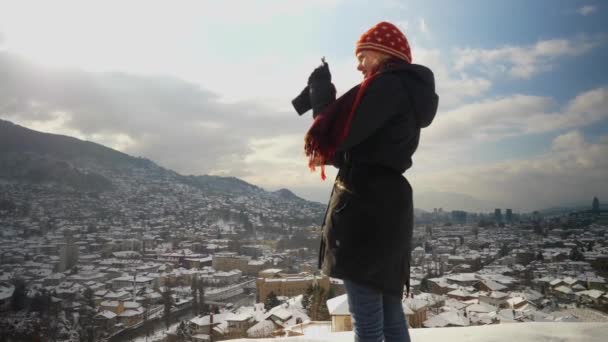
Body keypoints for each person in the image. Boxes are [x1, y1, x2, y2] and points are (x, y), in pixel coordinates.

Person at [292, 21, 438, 342]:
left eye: (362, 56)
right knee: (389, 317)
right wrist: (329, 150)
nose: (358, 66)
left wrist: (321, 97)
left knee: (368, 326)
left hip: (366, 214)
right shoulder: (404, 92)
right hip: (385, 207)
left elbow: (342, 137)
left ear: (384, 52)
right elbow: (358, 150)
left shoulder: (388, 86)